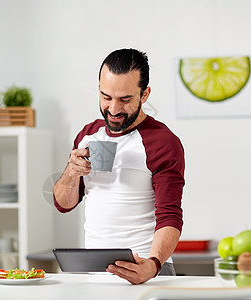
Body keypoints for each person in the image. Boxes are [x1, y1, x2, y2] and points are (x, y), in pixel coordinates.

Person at [53, 48, 185, 285]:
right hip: (95, 275)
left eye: (125, 99)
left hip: (146, 272)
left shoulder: (162, 142)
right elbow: (63, 204)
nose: (113, 110)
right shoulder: (87, 135)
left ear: (144, 95)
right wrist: (71, 174)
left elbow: (170, 216)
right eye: (106, 97)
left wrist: (153, 264)